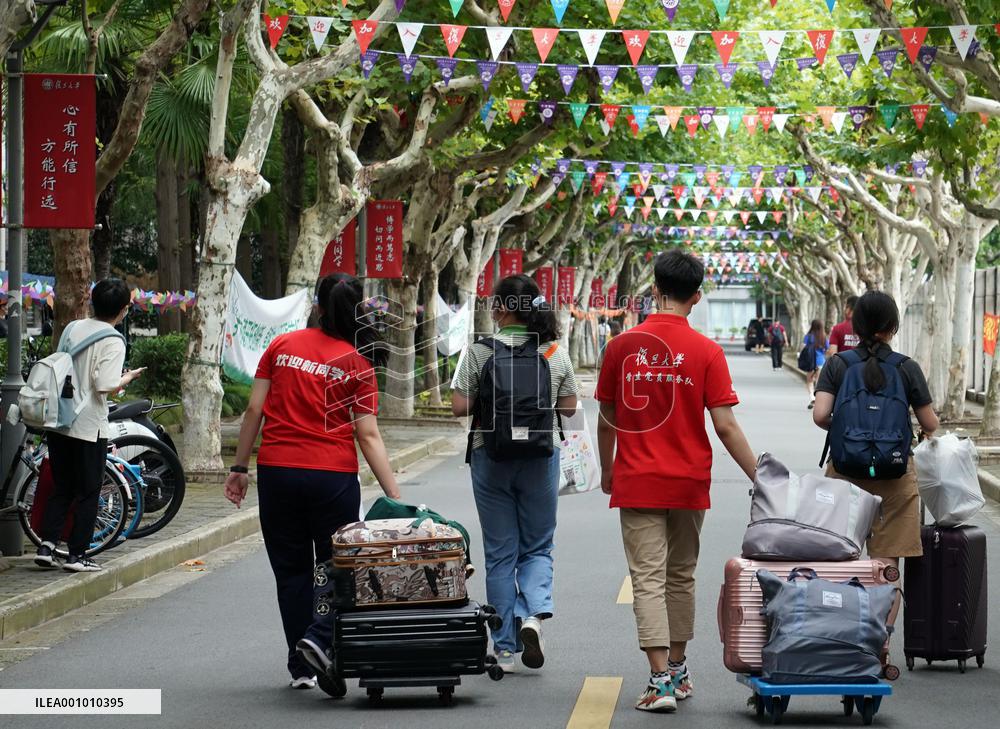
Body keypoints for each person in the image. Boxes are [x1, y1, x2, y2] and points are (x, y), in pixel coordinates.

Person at [223, 273, 401, 695]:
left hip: (278, 473)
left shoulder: (282, 347)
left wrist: (239, 467)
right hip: (333, 478)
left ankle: (300, 665)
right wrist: (394, 496)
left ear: (317, 306)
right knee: (340, 566)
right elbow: (368, 435)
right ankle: (321, 640)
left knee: (292, 572)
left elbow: (253, 410)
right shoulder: (357, 364)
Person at [595, 251, 757, 714]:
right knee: (681, 574)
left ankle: (660, 679)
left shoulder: (622, 346)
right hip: (689, 482)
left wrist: (608, 468)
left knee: (647, 579)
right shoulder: (707, 352)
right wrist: (759, 476)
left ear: (654, 289)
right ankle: (680, 671)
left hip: (638, 479)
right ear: (698, 296)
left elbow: (608, 420)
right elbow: (725, 426)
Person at [452, 274, 579, 674]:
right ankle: (533, 615)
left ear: (503, 309)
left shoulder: (479, 351)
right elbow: (570, 407)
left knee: (500, 554)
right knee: (538, 546)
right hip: (541, 457)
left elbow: (459, 406)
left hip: (490, 457)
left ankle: (504, 648)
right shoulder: (554, 351)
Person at [813, 291, 938, 573]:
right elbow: (930, 424)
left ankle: (846, 613)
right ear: (893, 327)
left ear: (855, 326)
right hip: (895, 474)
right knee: (886, 565)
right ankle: (882, 619)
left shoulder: (838, 364)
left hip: (844, 471)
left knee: (840, 558)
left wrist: (847, 428)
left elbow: (820, 414)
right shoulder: (907, 367)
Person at [34, 279, 144, 573]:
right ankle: (77, 555)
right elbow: (105, 385)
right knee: (87, 491)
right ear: (123, 310)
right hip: (87, 426)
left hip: (59, 420)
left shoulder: (72, 328)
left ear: (93, 302)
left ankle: (46, 546)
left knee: (62, 487)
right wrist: (127, 379)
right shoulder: (113, 340)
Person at [803, 319, 829, 409]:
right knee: (818, 381)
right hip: (821, 361)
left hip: (810, 362)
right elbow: (827, 349)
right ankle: (817, 399)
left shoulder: (808, 336)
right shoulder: (824, 337)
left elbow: (803, 347)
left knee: (809, 381)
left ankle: (812, 398)